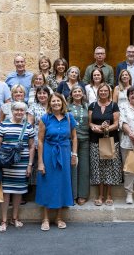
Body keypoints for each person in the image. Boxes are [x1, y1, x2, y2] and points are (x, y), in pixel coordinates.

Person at [36, 93, 77, 231]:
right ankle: (46, 218)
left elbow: (74, 137)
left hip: (64, 153)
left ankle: (59, 217)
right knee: (47, 183)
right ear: (50, 103)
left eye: (58, 101)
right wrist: (40, 162)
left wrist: (74, 154)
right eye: (53, 101)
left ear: (62, 103)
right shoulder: (45, 118)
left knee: (62, 183)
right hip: (49, 153)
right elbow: (40, 141)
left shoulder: (69, 117)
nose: (56, 103)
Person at [0, 102, 35, 232]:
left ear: (25, 112)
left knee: (18, 193)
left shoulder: (28, 126)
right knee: (5, 192)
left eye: (22, 110)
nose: (19, 112)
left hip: (21, 164)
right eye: (16, 110)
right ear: (12, 111)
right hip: (5, 164)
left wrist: (29, 165)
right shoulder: (4, 124)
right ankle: (4, 220)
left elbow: (32, 146)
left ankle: (15, 218)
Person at [89, 83, 122, 206]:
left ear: (109, 92)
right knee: (98, 168)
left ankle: (109, 195)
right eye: (101, 91)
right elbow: (90, 123)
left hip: (110, 140)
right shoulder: (92, 105)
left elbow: (116, 123)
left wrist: (105, 128)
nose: (103, 92)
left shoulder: (114, 105)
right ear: (98, 92)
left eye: (105, 91)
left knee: (109, 168)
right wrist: (94, 127)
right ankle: (100, 195)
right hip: (95, 141)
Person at [67, 86, 90, 205]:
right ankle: (73, 194)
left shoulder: (87, 106)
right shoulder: (67, 107)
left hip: (85, 139)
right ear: (71, 94)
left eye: (79, 91)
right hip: (71, 141)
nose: (77, 93)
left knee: (84, 168)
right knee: (73, 166)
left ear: (83, 93)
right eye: (75, 91)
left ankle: (82, 194)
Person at [27, 85, 51, 185]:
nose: (42, 95)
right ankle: (36, 189)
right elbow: (29, 124)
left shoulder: (52, 106)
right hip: (37, 139)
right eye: (39, 93)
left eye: (44, 93)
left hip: (51, 140)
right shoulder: (33, 107)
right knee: (37, 164)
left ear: (48, 95)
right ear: (36, 95)